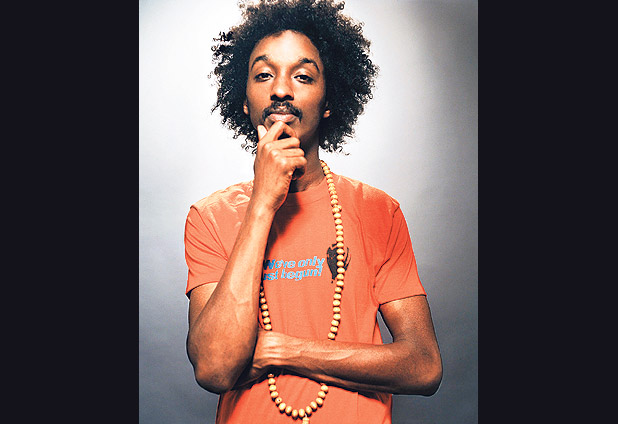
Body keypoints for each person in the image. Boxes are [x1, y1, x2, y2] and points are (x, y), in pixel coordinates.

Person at [184, 1, 442, 422]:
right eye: (263, 75)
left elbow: (424, 365)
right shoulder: (209, 217)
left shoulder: (379, 211)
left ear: (327, 102)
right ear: (244, 101)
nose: (281, 90)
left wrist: (281, 350)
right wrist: (263, 202)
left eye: (302, 76)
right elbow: (215, 367)